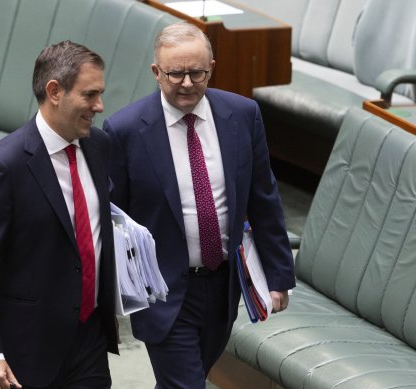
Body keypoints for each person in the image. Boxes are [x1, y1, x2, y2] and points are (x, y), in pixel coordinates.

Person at [103, 22, 295, 388]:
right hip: (163, 291)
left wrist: (278, 275)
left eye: (197, 72)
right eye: (176, 73)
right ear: (156, 73)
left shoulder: (243, 115)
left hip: (225, 286)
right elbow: (113, 219)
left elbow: (263, 198)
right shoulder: (125, 130)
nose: (187, 83)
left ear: (212, 68)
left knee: (189, 378)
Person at [0, 40, 118, 389]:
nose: (100, 106)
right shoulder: (4, 166)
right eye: (90, 95)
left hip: (88, 340)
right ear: (55, 91)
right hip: (25, 351)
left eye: (100, 94)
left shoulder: (100, 147)